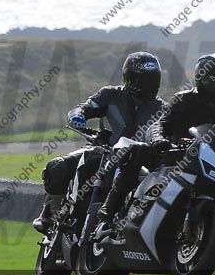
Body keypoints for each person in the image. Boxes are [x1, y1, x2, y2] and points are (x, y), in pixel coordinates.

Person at [98, 53, 215, 223]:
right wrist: (158, 139)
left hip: (211, 163)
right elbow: (159, 124)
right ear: (204, 81)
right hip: (173, 154)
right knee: (135, 151)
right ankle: (109, 210)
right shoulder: (184, 100)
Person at [32, 51, 166, 234]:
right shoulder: (110, 95)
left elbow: (171, 132)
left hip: (135, 163)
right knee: (58, 167)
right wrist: (78, 115)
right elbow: (84, 107)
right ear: (130, 78)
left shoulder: (162, 109)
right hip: (102, 151)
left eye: (153, 80)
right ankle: (50, 213)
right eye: (144, 81)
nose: (150, 86)